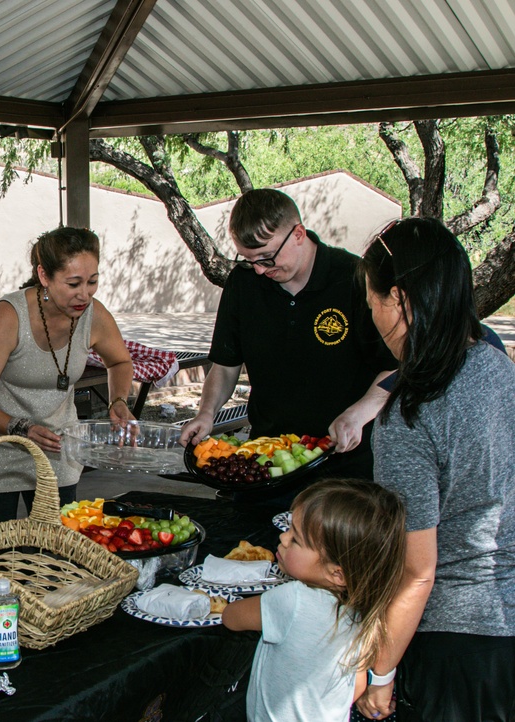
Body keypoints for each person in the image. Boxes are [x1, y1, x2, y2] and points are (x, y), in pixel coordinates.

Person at [353, 218, 515, 721]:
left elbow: (415, 572)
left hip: (453, 640)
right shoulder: (494, 364)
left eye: (371, 299)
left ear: (398, 300)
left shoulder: (411, 414)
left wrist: (379, 673)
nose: (370, 310)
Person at [179, 188, 398, 484]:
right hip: (266, 458)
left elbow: (395, 366)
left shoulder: (354, 278)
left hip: (345, 459)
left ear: (298, 233)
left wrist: (358, 415)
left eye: (267, 258)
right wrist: (207, 413)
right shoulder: (243, 284)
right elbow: (226, 365)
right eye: (248, 260)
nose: (258, 269)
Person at [0, 227, 134, 530]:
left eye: (93, 281)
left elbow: (120, 361)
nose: (84, 294)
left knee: (58, 546)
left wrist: (118, 400)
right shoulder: (11, 315)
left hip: (55, 448)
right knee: (0, 555)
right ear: (44, 276)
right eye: (73, 283)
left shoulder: (94, 315)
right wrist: (22, 427)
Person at [222, 478, 407, 721]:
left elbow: (231, 618)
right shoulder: (363, 611)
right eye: (288, 529)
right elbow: (357, 685)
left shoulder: (292, 600)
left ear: (337, 573)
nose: (283, 538)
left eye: (296, 539)